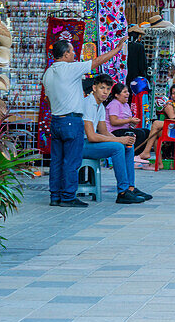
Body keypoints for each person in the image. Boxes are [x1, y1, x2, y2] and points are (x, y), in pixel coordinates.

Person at [43, 38, 125, 207]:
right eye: (72, 51)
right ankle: (67, 196)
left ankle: (55, 196)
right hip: (72, 121)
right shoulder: (70, 68)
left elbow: (48, 98)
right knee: (71, 161)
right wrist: (116, 50)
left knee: (57, 160)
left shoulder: (48, 73)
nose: (74, 54)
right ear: (65, 54)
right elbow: (96, 61)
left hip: (56, 119)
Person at [81, 73, 152, 204]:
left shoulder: (100, 106)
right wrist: (119, 140)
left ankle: (130, 187)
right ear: (94, 88)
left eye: (108, 89)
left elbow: (104, 131)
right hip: (81, 145)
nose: (105, 92)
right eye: (102, 88)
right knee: (118, 147)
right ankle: (122, 192)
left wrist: (124, 141)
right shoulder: (88, 104)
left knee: (127, 146)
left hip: (90, 143)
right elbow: (91, 136)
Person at [136, 83, 175, 163]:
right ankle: (158, 162)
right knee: (156, 133)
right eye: (173, 93)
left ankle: (146, 152)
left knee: (156, 124)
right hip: (174, 127)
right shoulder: (169, 104)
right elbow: (173, 119)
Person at [105, 82, 150, 164]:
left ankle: (138, 155)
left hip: (124, 129)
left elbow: (128, 120)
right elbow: (114, 121)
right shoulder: (114, 104)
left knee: (147, 132)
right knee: (140, 134)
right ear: (117, 95)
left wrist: (133, 122)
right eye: (124, 92)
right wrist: (130, 120)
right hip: (114, 132)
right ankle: (132, 156)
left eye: (128, 92)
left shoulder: (126, 105)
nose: (127, 94)